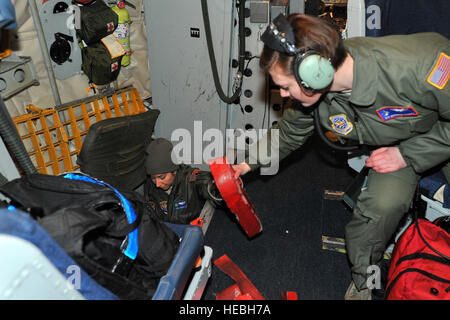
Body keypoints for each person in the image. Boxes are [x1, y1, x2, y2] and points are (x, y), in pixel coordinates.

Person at [232, 13, 450, 299]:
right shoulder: (310, 99)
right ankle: (365, 281)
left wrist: (406, 154)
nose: (283, 95)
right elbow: (287, 135)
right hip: (389, 144)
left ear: (314, 73)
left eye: (285, 86)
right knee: (377, 211)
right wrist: (246, 165)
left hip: (438, 133)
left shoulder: (419, 64)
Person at [143, 138, 223, 225]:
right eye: (153, 178)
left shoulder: (191, 179)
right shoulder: (150, 185)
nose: (157, 184)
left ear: (174, 171)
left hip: (193, 231)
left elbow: (209, 184)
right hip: (168, 232)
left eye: (162, 177)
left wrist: (221, 185)